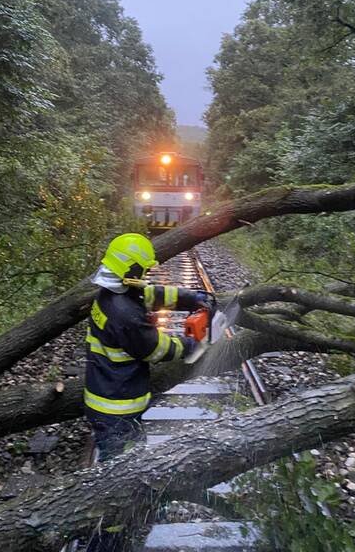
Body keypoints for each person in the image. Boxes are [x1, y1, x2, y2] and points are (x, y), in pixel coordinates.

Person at [83, 233, 214, 550]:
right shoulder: (124, 314)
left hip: (110, 397)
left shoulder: (112, 293)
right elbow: (154, 347)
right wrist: (192, 345)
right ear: (131, 271)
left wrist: (192, 298)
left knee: (132, 455)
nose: (146, 276)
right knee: (119, 476)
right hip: (116, 408)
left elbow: (153, 293)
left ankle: (126, 515)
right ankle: (110, 538)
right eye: (143, 270)